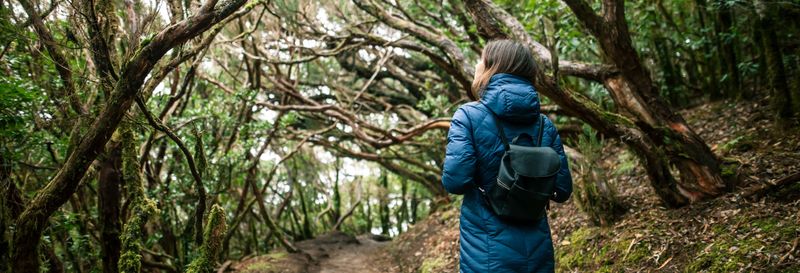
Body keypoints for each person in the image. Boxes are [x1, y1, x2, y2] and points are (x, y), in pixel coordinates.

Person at [442, 39, 573, 273]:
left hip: (485, 254)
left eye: (480, 60)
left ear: (492, 67)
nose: (476, 64)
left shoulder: (468, 116)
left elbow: (455, 181)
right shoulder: (545, 125)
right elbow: (562, 190)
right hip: (538, 255)